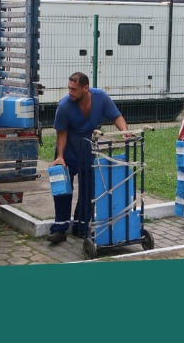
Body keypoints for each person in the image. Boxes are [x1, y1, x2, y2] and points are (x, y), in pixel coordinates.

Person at [48, 72, 130, 243]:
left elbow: (116, 116)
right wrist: (60, 157)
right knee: (62, 191)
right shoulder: (64, 106)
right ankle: (59, 228)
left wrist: (124, 131)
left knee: (88, 190)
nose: (70, 92)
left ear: (86, 88)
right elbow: (61, 135)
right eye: (69, 88)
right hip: (68, 152)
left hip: (88, 151)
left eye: (74, 89)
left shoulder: (101, 98)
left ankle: (81, 226)